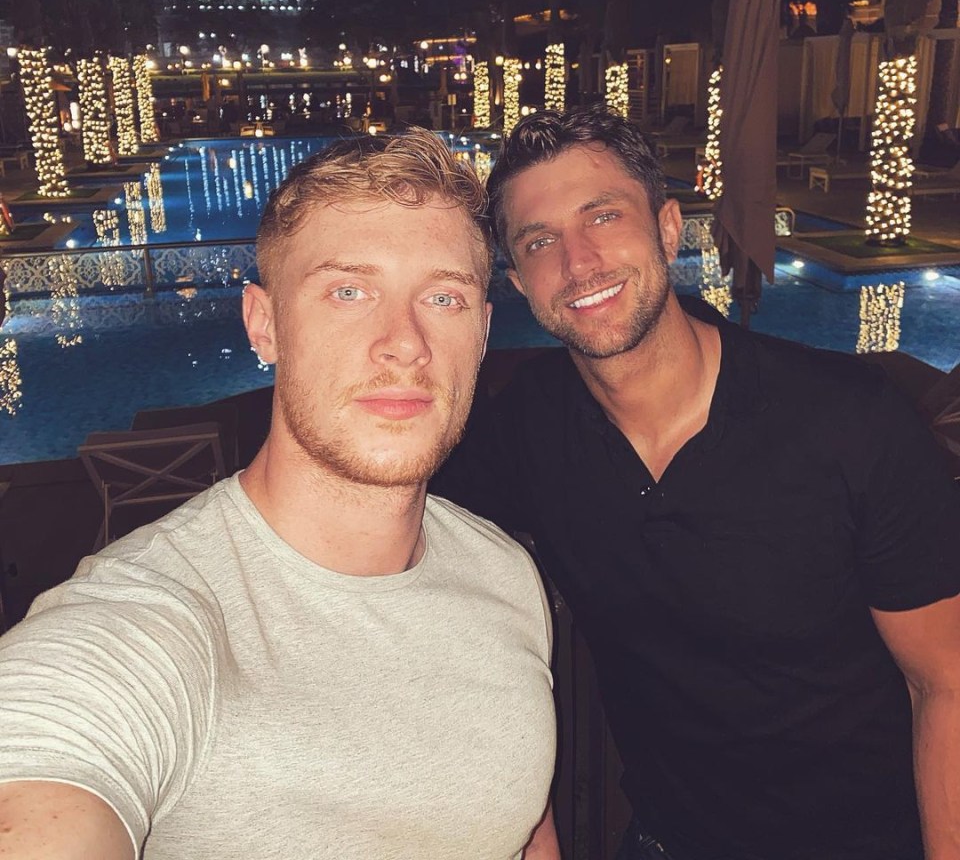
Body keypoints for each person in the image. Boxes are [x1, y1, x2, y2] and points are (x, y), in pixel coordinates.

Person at [0, 130, 560, 860]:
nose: (404, 342)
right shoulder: (153, 619)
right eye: (348, 291)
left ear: (483, 332)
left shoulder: (505, 572)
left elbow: (523, 828)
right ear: (264, 323)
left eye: (444, 297)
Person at [432, 107, 960, 860]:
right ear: (519, 281)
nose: (578, 263)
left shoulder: (849, 419)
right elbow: (393, 525)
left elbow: (946, 680)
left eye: (603, 216)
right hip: (662, 841)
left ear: (670, 228)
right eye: (539, 241)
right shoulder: (528, 426)